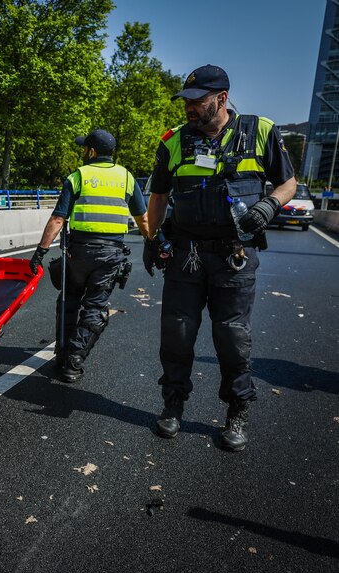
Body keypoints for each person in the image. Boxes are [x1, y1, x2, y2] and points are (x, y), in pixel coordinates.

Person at [143, 65, 297, 451]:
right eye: (186, 102)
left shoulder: (260, 130)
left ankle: (237, 410)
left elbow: (288, 182)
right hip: (186, 255)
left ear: (222, 99)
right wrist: (150, 237)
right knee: (177, 333)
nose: (189, 108)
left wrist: (268, 206)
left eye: (197, 102)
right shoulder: (174, 141)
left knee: (231, 336)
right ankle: (173, 405)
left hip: (234, 256)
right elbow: (159, 195)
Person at [29, 129, 149, 383]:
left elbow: (58, 218)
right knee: (95, 307)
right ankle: (75, 359)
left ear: (91, 151)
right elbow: (143, 218)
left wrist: (40, 251)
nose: (83, 152)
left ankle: (63, 352)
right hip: (110, 254)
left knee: (69, 300)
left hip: (79, 252)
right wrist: (155, 242)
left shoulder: (78, 176)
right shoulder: (127, 178)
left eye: (85, 148)